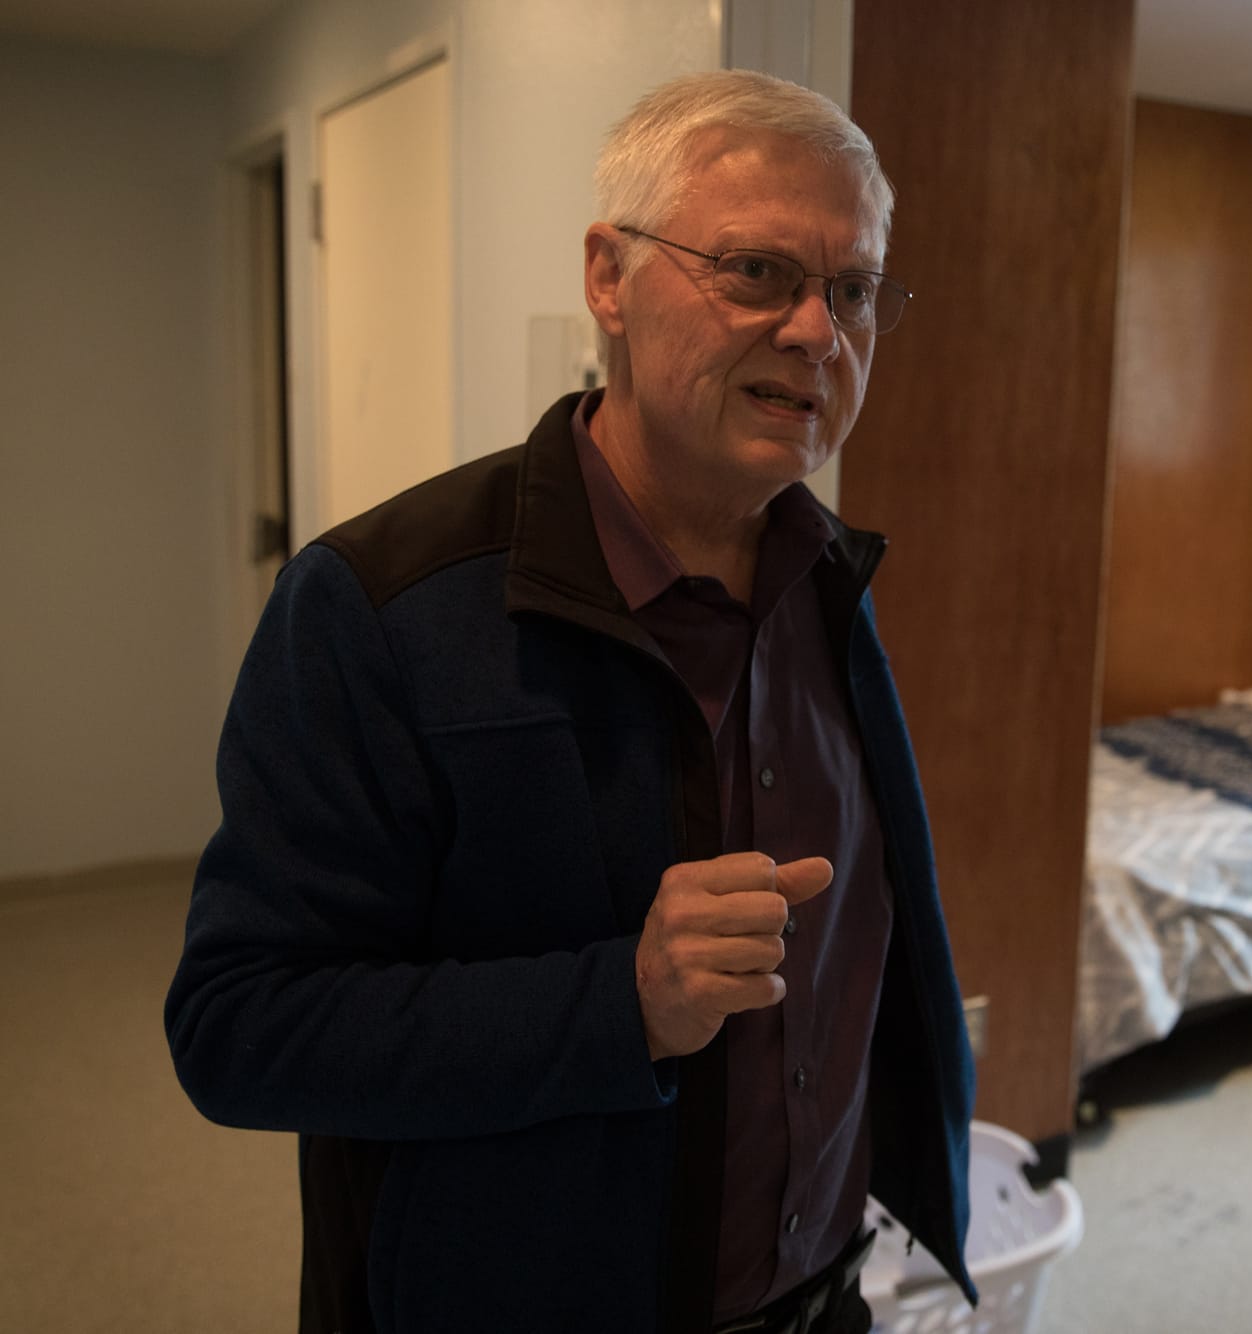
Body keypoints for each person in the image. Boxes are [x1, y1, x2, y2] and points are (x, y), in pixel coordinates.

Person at [165, 70, 976, 1334]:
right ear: (610, 276)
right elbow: (238, 1025)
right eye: (758, 271)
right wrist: (622, 1003)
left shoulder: (828, 581)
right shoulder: (377, 606)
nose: (820, 331)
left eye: (856, 288)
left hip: (820, 1298)